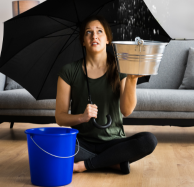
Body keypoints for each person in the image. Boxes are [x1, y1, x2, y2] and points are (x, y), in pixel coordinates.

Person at [55, 15, 157, 174]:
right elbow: (60, 117)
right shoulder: (68, 71)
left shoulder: (120, 66)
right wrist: (81, 117)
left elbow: (126, 110)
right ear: (83, 41)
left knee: (148, 140)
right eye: (88, 32)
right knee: (55, 144)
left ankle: (85, 165)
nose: (94, 36)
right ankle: (111, 161)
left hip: (114, 142)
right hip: (81, 143)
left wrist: (131, 80)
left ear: (108, 39)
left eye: (99, 31)